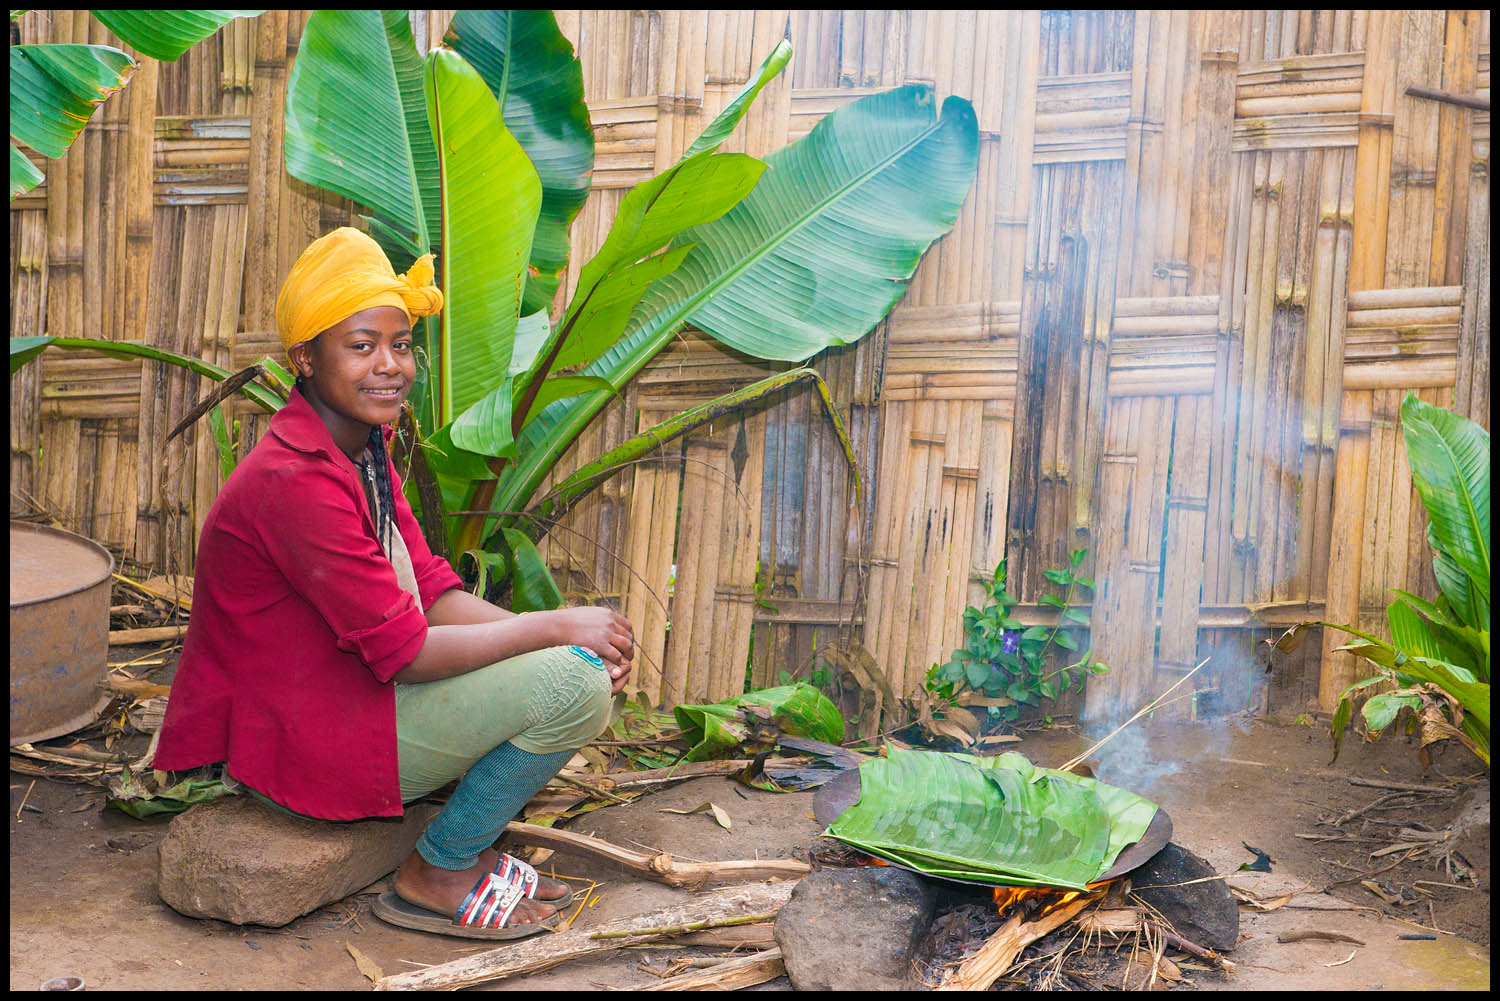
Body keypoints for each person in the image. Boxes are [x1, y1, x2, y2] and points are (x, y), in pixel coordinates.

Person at [153, 227, 635, 940]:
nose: (390, 365)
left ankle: (454, 849)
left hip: (349, 701)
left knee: (572, 667)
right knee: (577, 684)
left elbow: (435, 592)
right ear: (305, 359)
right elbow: (408, 651)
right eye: (361, 345)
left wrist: (559, 634)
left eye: (401, 343)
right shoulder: (295, 479)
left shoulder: (359, 449)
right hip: (309, 740)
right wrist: (558, 630)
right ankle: (438, 870)